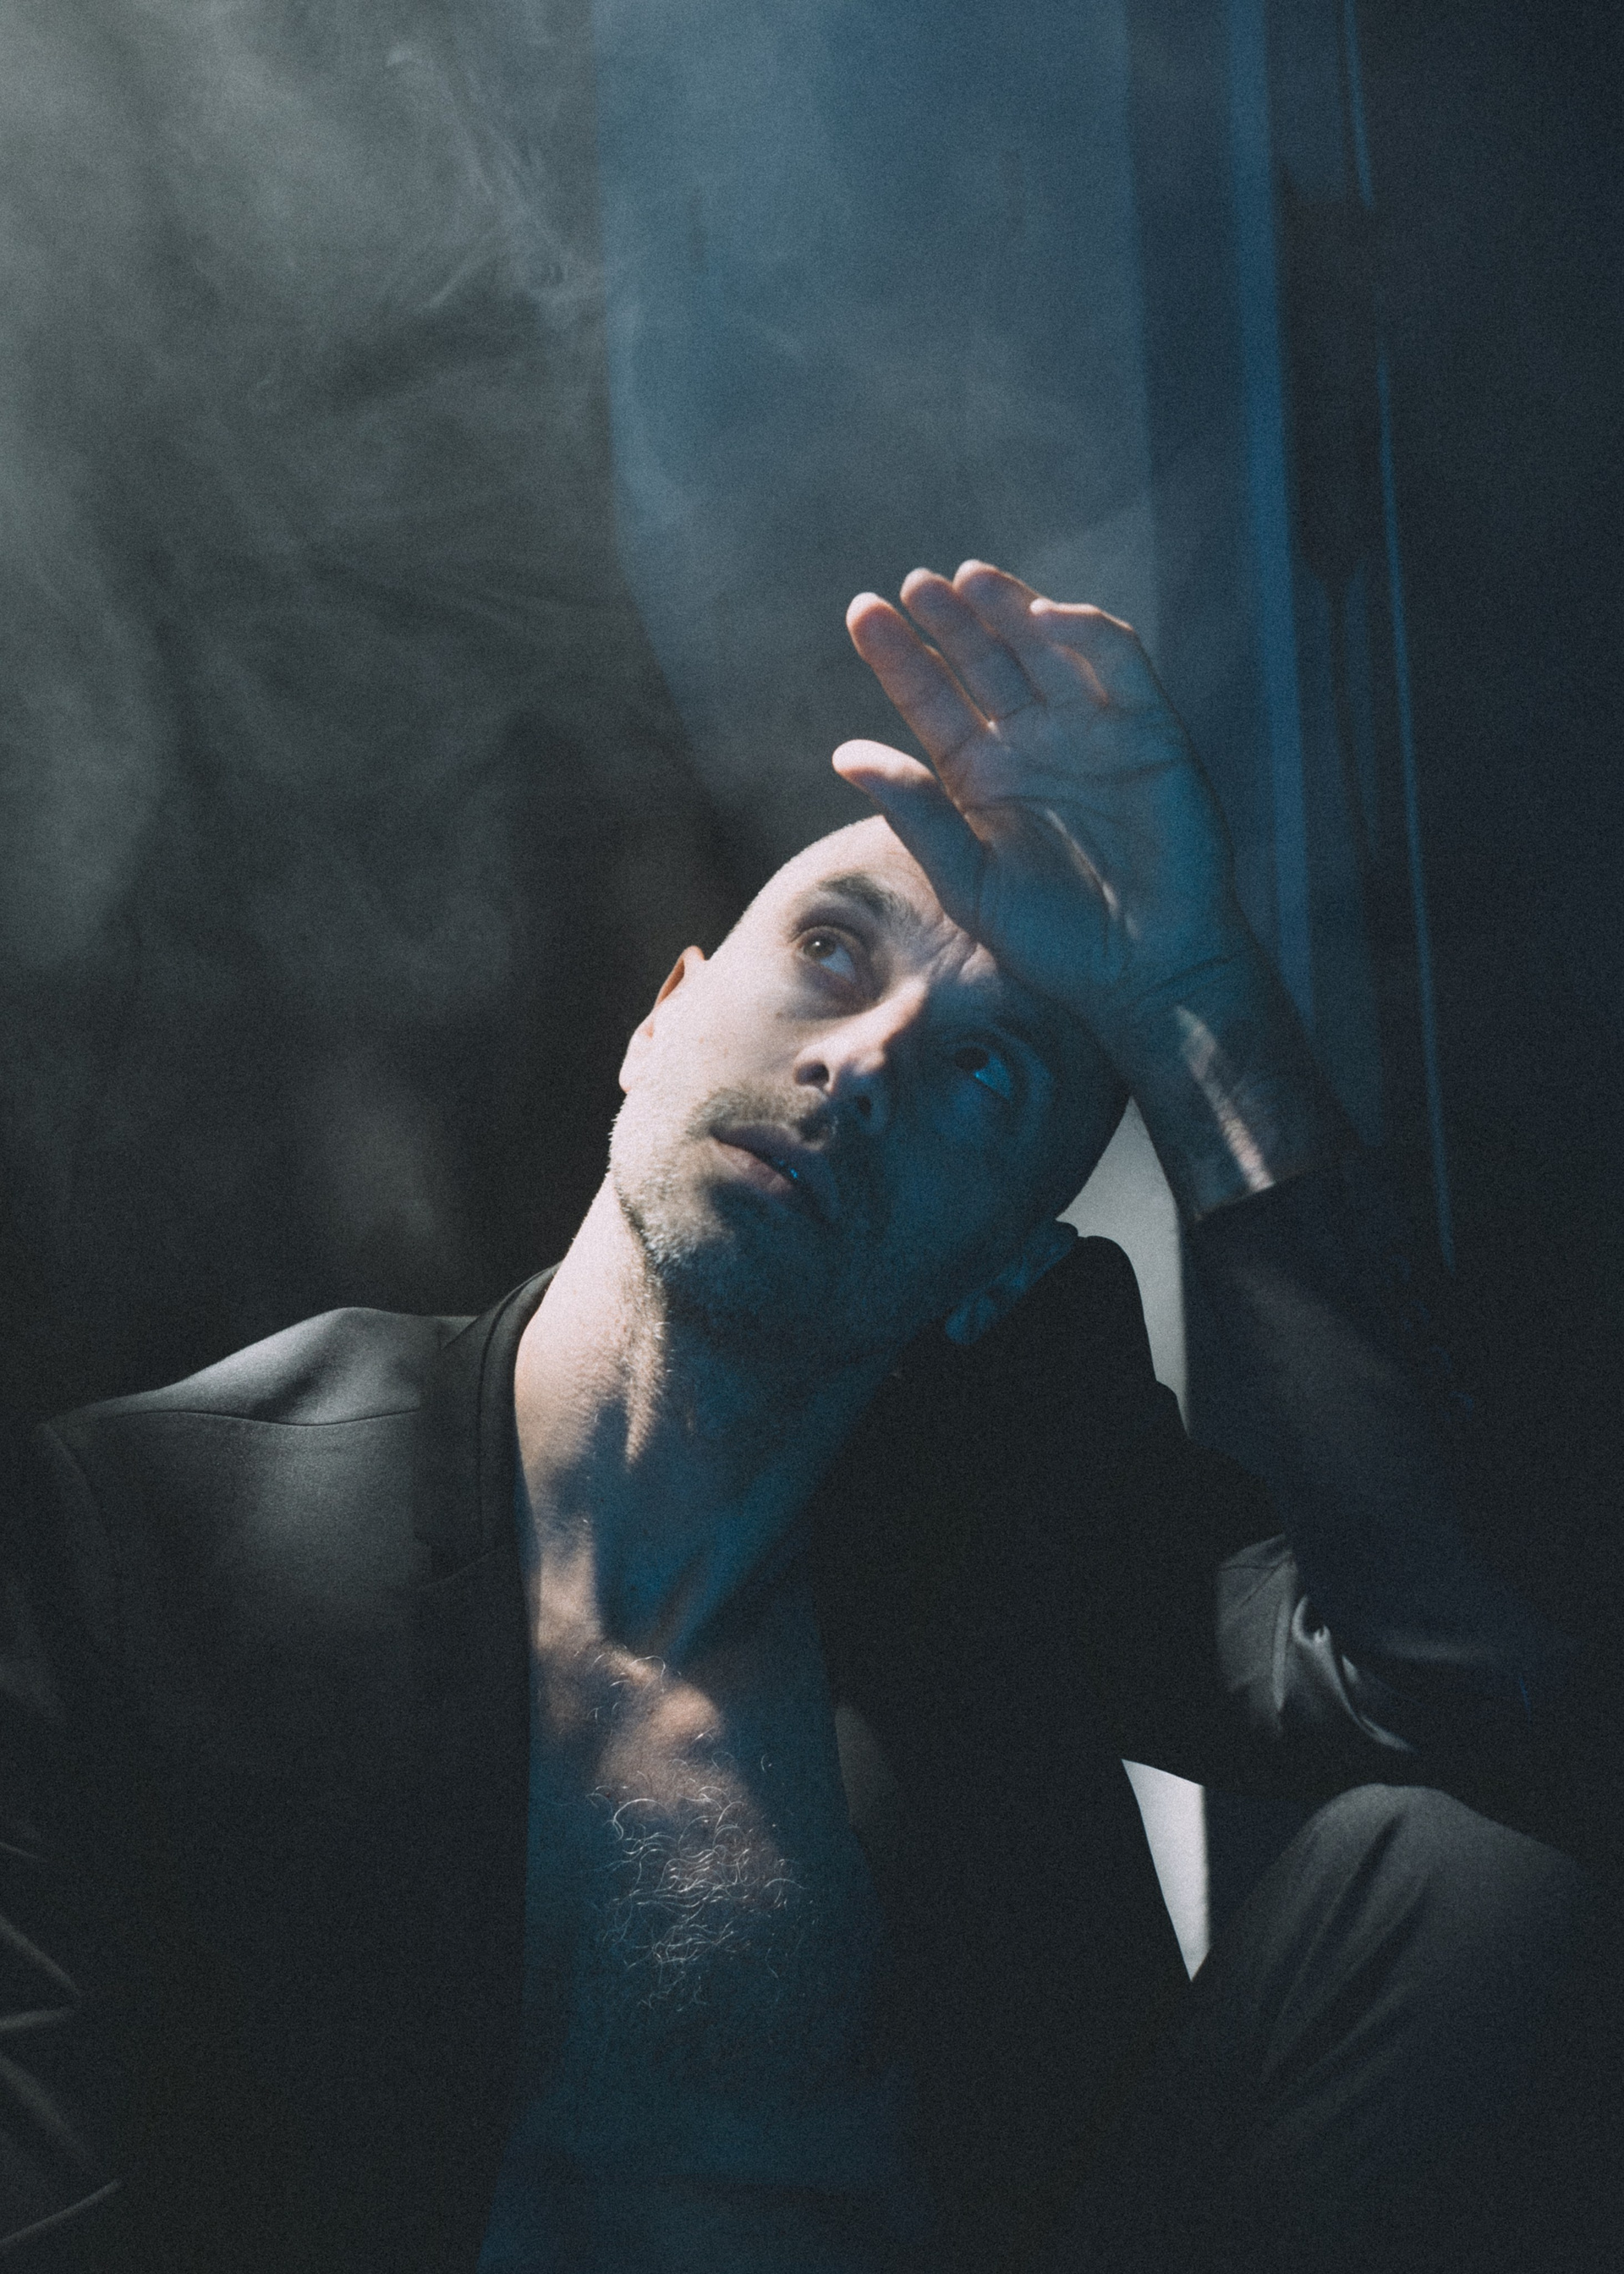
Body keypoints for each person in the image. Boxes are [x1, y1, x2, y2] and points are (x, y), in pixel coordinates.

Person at [0, 563, 1606, 2274]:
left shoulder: (1011, 1515)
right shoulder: (132, 1538)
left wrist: (1193, 996)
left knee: (1470, 1874)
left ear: (1006, 1265)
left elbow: (1475, 1684)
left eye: (988, 1072)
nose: (869, 1060)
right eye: (835, 952)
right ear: (663, 1013)